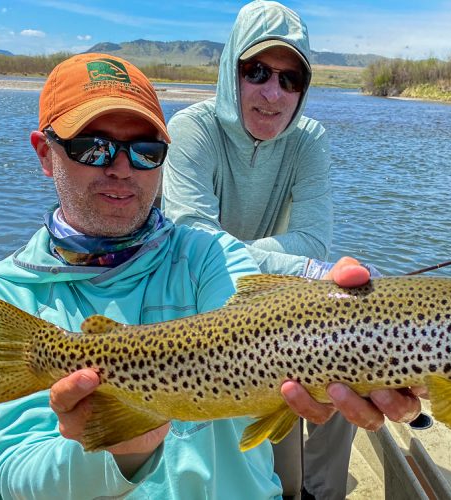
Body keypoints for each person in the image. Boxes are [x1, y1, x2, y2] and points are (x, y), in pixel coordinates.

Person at [0, 52, 421, 499]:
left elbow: (256, 324)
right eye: (93, 148)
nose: (122, 169)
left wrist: (362, 334)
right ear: (45, 154)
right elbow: (8, 478)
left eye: (144, 151)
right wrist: (116, 448)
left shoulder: (211, 257)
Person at [162, 2, 376, 498]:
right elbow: (192, 241)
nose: (272, 93)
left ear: (303, 87)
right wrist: (290, 266)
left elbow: (313, 241)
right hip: (200, 295)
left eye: (290, 78)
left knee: (354, 325)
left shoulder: (310, 139)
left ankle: (322, 492)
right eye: (256, 71)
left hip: (282, 294)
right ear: (229, 69)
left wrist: (267, 268)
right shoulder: (192, 129)